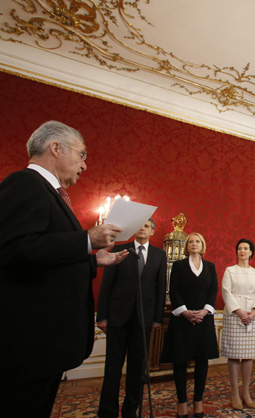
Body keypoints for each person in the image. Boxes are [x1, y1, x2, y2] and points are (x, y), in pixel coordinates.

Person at [0, 121, 128, 418]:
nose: (84, 165)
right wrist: (86, 239)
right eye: (82, 154)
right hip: (28, 343)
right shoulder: (25, 183)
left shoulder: (49, 193)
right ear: (55, 148)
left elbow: (42, 255)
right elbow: (13, 250)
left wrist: (92, 259)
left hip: (43, 343)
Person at [97, 218, 167, 418]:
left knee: (137, 370)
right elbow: (106, 285)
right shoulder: (121, 249)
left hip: (143, 320)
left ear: (152, 232)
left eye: (146, 226)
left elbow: (160, 288)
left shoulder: (159, 255)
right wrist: (102, 316)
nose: (142, 229)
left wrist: (157, 318)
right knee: (112, 368)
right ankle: (107, 412)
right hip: (117, 318)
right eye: (139, 225)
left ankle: (130, 411)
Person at [161, 233, 219, 418]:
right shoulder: (178, 266)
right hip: (182, 320)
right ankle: (182, 402)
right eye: (191, 242)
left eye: (197, 241)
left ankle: (198, 401)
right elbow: (174, 290)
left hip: (204, 319)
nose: (194, 244)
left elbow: (213, 290)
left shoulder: (210, 266)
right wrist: (185, 312)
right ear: (187, 246)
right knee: (180, 362)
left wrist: (204, 311)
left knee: (202, 361)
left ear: (202, 245)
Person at [221, 238, 255, 410]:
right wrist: (239, 311)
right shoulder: (230, 270)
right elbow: (226, 291)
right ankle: (234, 393)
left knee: (248, 355)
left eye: (246, 248)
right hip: (234, 315)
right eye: (239, 248)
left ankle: (246, 392)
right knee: (234, 354)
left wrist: (254, 312)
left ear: (251, 252)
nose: (242, 251)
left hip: (252, 317)